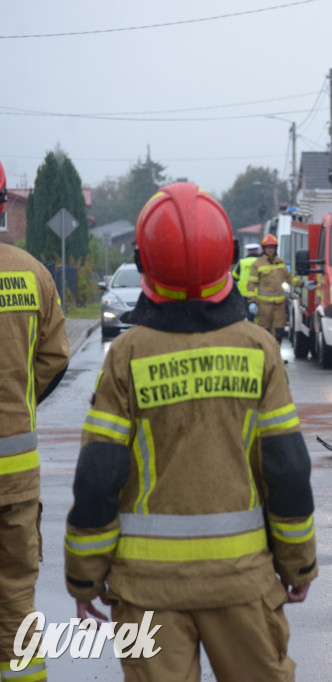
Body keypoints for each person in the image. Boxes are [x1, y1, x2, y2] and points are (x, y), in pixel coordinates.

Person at [64, 183, 317, 681]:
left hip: (146, 592)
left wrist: (84, 576)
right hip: (242, 583)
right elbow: (286, 468)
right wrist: (298, 564)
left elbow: (99, 476)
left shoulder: (126, 355)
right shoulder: (258, 348)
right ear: (228, 256)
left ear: (144, 262)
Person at [0, 159, 70, 682]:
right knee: (16, 598)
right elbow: (53, 358)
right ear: (4, 205)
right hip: (15, 474)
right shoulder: (32, 274)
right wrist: (21, 401)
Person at [248, 234, 289, 343]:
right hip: (264, 307)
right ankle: (265, 358)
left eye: (272, 247)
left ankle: (276, 358)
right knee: (264, 334)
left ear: (276, 248)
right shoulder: (257, 264)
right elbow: (251, 284)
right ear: (263, 249)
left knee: (278, 333)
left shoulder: (280, 262)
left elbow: (289, 278)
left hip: (279, 306)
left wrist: (303, 284)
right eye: (268, 247)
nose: (270, 250)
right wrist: (251, 301)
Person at [233, 243, 261, 321]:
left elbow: (235, 277)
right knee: (259, 317)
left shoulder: (242, 262)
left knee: (247, 317)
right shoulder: (261, 262)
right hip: (259, 295)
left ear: (248, 252)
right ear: (257, 251)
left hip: (244, 295)